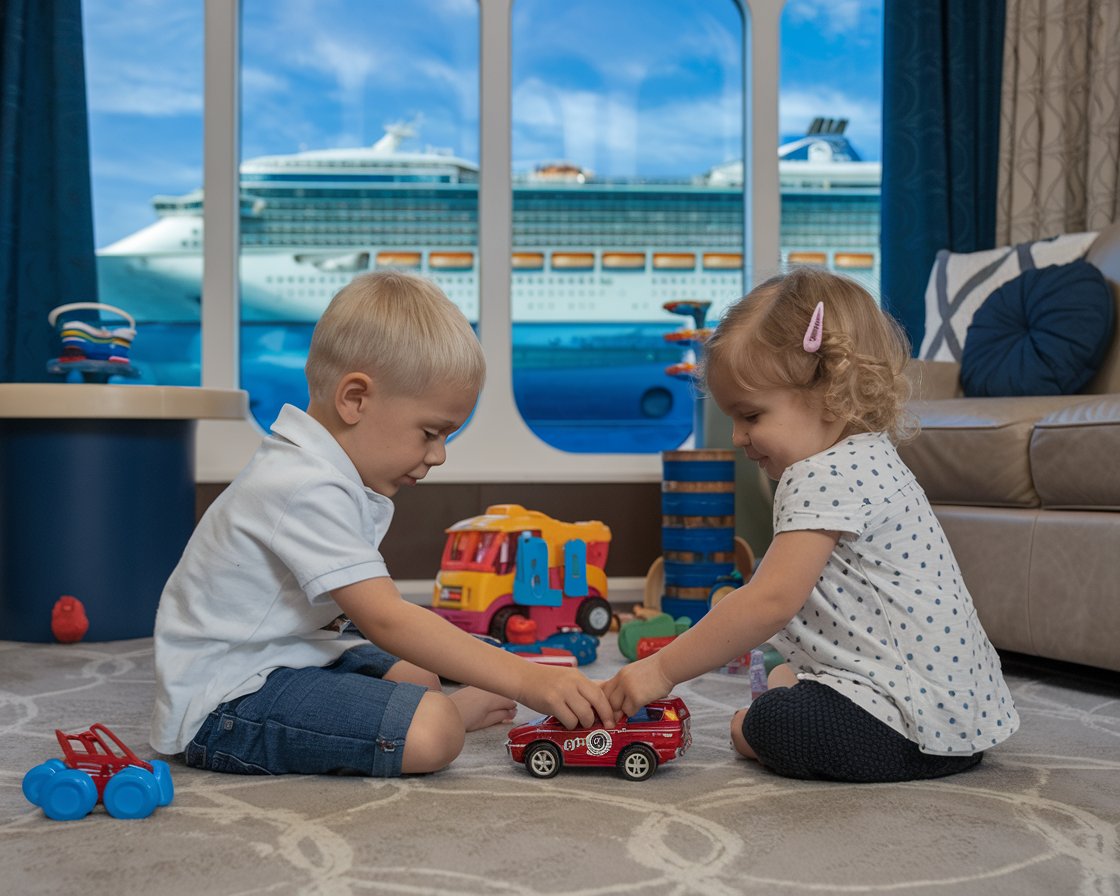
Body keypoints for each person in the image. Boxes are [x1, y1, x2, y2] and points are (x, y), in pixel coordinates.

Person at [151, 269, 614, 777]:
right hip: (225, 700)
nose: (438, 455)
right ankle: (440, 718)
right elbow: (385, 618)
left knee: (422, 677)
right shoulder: (304, 486)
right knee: (434, 727)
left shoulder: (321, 471)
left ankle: (420, 707)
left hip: (289, 654)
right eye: (431, 432)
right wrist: (530, 681)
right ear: (355, 399)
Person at [604, 266, 1019, 782]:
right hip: (957, 718)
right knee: (785, 672)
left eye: (751, 416)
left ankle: (760, 727)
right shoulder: (867, 456)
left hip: (913, 729)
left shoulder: (820, 475)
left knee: (773, 720)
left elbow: (772, 602)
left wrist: (661, 668)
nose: (737, 437)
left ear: (831, 392)